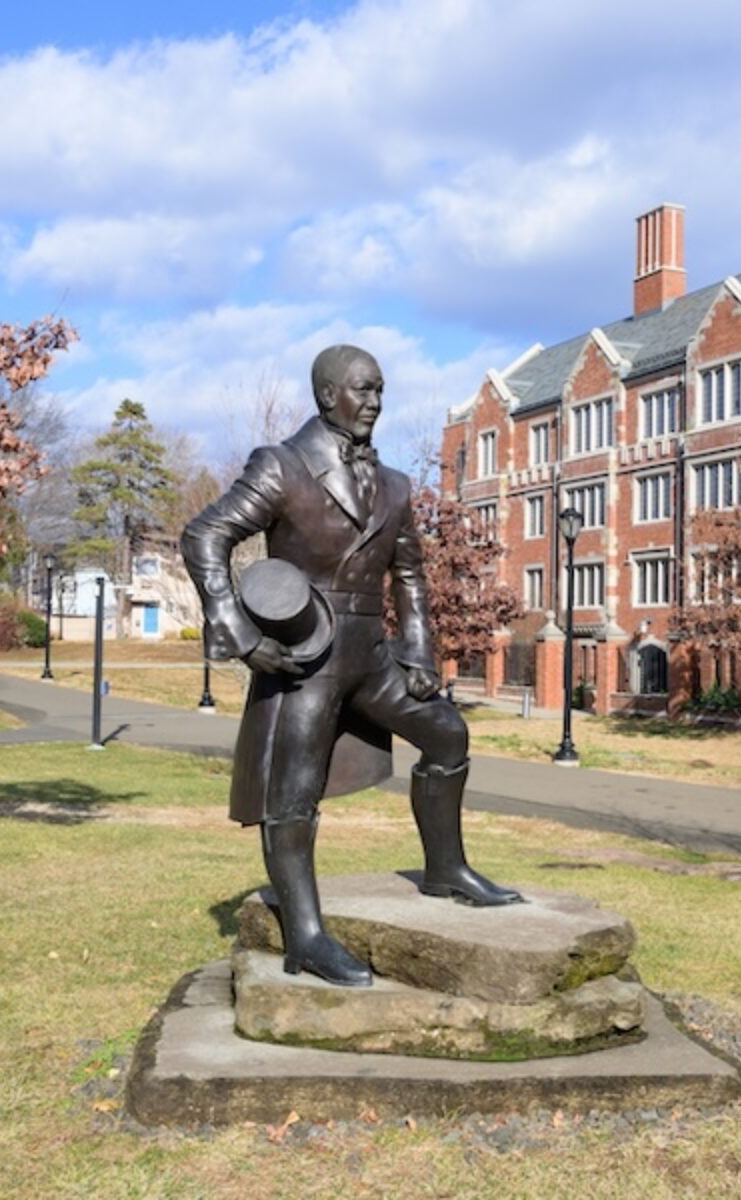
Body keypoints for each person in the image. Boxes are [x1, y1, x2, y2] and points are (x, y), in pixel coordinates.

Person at [181, 344, 520, 988]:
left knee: (448, 733)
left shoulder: (393, 484)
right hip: (307, 656)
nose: (374, 402)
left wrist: (418, 651)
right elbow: (205, 535)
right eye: (363, 390)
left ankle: (446, 870)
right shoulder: (281, 465)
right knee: (294, 790)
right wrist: (235, 627)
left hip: (373, 656)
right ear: (327, 395)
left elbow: (411, 577)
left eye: (381, 390)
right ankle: (305, 935)